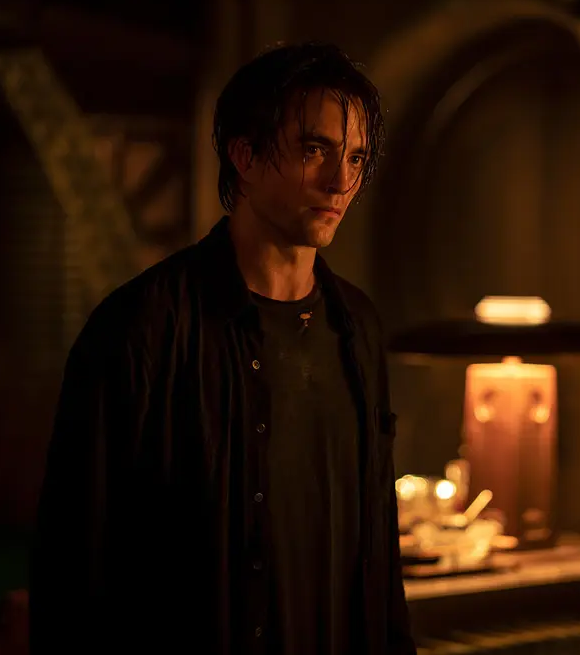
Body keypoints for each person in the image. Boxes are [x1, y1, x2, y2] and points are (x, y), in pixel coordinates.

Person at [29, 42, 415, 655]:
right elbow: (75, 561)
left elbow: (377, 548)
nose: (341, 181)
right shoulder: (143, 326)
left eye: (355, 157)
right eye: (314, 150)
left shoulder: (357, 328)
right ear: (245, 155)